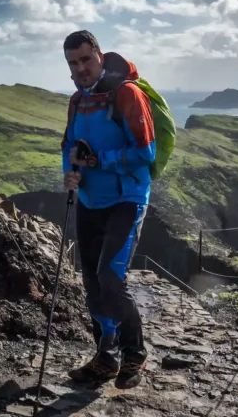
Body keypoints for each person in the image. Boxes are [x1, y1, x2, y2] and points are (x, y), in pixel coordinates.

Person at [60, 29, 156, 390]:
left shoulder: (127, 95)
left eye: (85, 59)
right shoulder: (76, 100)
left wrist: (99, 161)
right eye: (73, 62)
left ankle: (135, 353)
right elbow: (68, 145)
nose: (80, 68)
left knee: (111, 281)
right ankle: (106, 356)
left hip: (126, 201)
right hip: (89, 201)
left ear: (99, 55)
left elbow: (146, 153)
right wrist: (69, 172)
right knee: (91, 282)